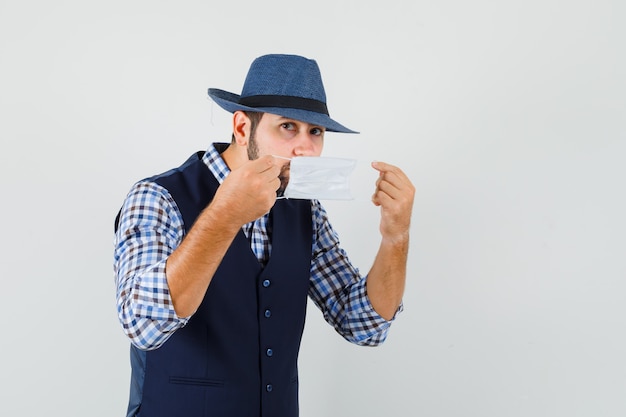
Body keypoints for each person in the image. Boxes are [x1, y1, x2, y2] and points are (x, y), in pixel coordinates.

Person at [113, 53, 415, 417]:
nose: (305, 148)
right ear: (242, 128)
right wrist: (224, 217)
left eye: (315, 131)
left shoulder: (306, 210)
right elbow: (143, 326)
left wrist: (395, 237)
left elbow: (362, 324)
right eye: (288, 126)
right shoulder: (158, 197)